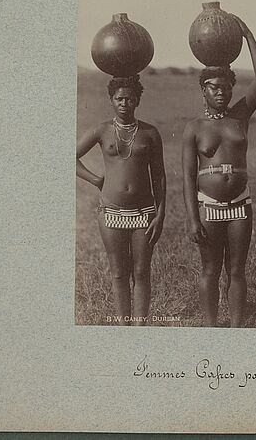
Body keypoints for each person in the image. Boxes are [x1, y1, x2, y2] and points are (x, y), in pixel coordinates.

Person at [182, 16, 256, 328]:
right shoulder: (194, 128)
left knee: (237, 269)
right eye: (214, 87)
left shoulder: (239, 117)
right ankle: (211, 327)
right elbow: (189, 177)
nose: (222, 92)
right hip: (208, 206)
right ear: (203, 89)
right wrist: (192, 219)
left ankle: (235, 328)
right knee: (210, 269)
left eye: (227, 87)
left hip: (240, 205)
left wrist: (247, 34)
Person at [76, 75, 166, 326]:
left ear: (137, 100)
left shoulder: (150, 133)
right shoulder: (102, 130)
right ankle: (123, 328)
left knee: (141, 272)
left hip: (144, 213)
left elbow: (159, 175)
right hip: (111, 212)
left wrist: (160, 214)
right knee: (118, 273)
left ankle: (139, 327)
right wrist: (95, 180)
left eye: (129, 98)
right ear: (111, 100)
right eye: (119, 98)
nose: (124, 103)